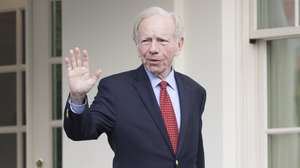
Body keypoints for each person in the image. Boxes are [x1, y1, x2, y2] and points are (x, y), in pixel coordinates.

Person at [64, 6, 206, 168]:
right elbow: (81, 131)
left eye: (162, 41)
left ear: (179, 44)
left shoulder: (194, 92)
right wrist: (77, 97)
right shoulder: (116, 90)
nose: (153, 49)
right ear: (137, 46)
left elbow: (195, 154)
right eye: (146, 41)